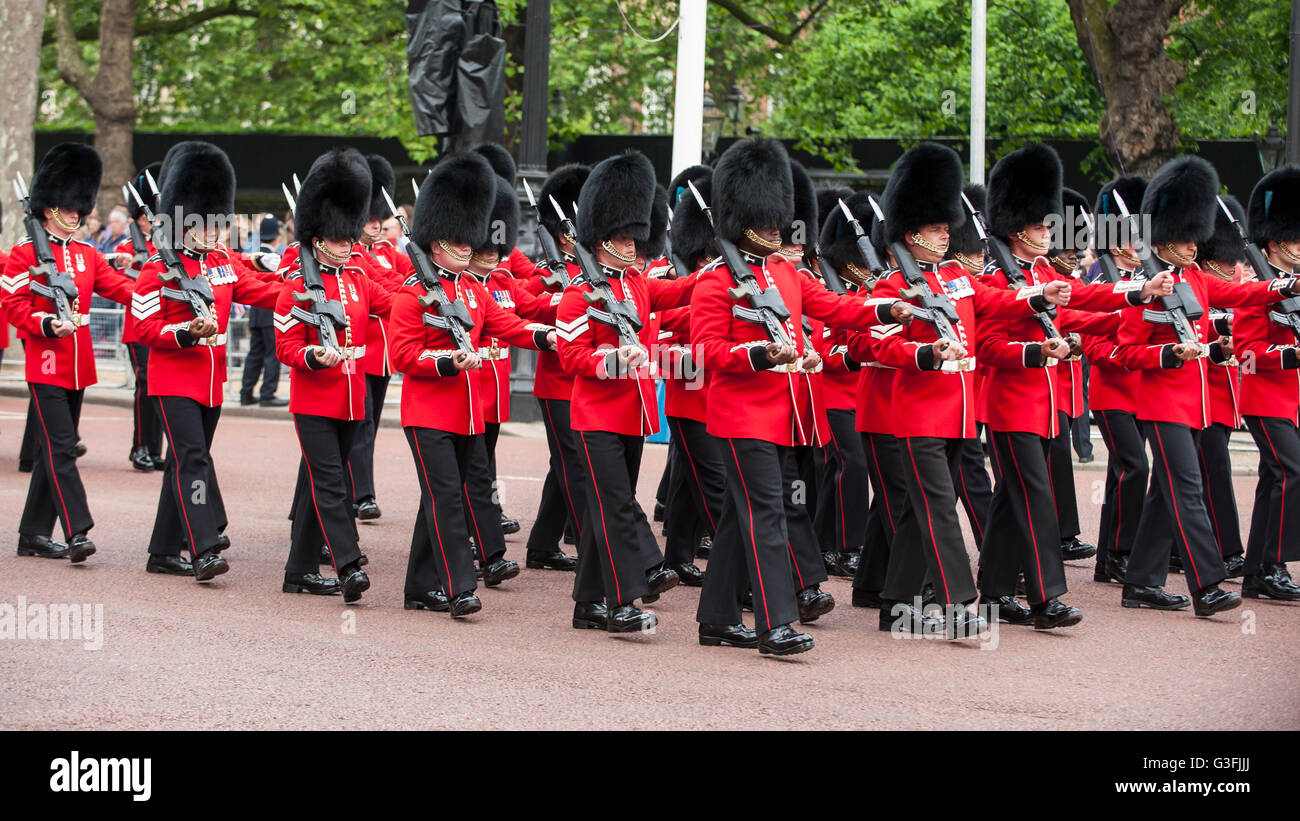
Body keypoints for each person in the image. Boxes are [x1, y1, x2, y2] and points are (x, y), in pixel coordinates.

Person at [690, 138, 908, 655]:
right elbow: (705, 351)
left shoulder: (787, 273)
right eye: (764, 223)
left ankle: (717, 618)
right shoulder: (714, 283)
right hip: (740, 418)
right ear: (740, 219)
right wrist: (758, 357)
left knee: (737, 518)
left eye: (775, 221)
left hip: (779, 416)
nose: (774, 230)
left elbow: (835, 308)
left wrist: (885, 311)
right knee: (767, 513)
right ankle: (775, 623)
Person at [977, 143, 1171, 627]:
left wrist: (1137, 293)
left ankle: (995, 593)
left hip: (1041, 405)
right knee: (1036, 498)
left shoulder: (1039, 270)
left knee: (1009, 500)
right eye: (1043, 225)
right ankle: (1046, 599)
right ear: (1019, 227)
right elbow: (988, 345)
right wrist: (1038, 351)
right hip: (1009, 406)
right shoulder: (996, 275)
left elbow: (1079, 302)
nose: (1050, 232)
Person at [1114, 155, 1300, 616]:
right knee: (1188, 487)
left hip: (1194, 403)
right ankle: (1208, 584)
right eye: (1184, 236)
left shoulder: (1195, 275)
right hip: (1161, 404)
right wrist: (1167, 355)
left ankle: (1140, 583)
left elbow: (1237, 294)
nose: (1195, 243)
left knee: (1165, 492)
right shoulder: (1148, 285)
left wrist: (1282, 287)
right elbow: (1124, 352)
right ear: (1163, 237)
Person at [391, 152, 555, 617]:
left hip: (466, 414)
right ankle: (459, 585)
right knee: (447, 501)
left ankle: (420, 588)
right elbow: (404, 356)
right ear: (435, 242)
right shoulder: (412, 295)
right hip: (427, 415)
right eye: (458, 244)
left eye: (470, 243)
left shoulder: (473, 289)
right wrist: (446, 361)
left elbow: (508, 324)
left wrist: (549, 336)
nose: (468, 251)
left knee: (438, 500)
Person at [132, 141, 282, 580]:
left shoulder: (220, 262)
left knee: (184, 461)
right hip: (172, 379)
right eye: (208, 225)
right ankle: (203, 546)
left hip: (211, 380)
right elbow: (143, 329)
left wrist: (304, 289)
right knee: (194, 459)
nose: (217, 232)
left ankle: (162, 551)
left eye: (220, 224)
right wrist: (182, 332)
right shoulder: (156, 269)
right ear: (184, 222)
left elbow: (260, 290)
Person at [556, 151, 692, 636]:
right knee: (614, 509)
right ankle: (621, 603)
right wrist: (611, 361)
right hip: (595, 418)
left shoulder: (634, 284)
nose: (632, 244)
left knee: (607, 509)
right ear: (600, 240)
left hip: (631, 417)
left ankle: (587, 604)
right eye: (621, 237)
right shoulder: (579, 293)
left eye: (634, 236)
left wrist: (714, 274)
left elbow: (675, 294)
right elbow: (572, 357)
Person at [5, 143, 136, 562]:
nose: (77, 213)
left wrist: (159, 290)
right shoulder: (25, 254)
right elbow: (12, 306)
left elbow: (122, 290)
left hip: (78, 365)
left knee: (51, 451)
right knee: (62, 447)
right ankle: (78, 530)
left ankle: (33, 534)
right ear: (49, 209)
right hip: (45, 362)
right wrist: (44, 324)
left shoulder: (87, 255)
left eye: (80, 206)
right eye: (69, 206)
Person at [274, 148, 393, 603]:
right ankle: (348, 562)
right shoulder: (296, 288)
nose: (349, 244)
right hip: (315, 399)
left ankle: (298, 570)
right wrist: (312, 356)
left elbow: (396, 302)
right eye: (341, 238)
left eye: (350, 237)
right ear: (320, 236)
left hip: (353, 396)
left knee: (317, 484)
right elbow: (287, 346)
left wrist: (430, 296)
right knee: (331, 483)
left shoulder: (359, 279)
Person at [1235, 165, 1300, 600]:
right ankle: (1274, 564)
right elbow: (1247, 355)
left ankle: (1257, 571)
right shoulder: (1256, 286)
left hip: (1289, 399)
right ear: (1277, 243)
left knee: (1274, 477)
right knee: (1292, 471)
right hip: (1263, 397)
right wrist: (1291, 356)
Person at [521, 164, 589, 572]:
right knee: (575, 463)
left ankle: (542, 544)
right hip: (558, 383)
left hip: (588, 380)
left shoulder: (594, 271)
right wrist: (555, 301)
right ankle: (589, 541)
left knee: (563, 464)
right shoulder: (545, 273)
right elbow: (520, 306)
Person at [1082, 176, 1150, 585]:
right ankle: (1122, 552)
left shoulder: (1148, 276)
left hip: (1143, 389)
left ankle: (1108, 558)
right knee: (1135, 467)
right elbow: (1090, 342)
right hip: (1111, 389)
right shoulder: (1099, 275)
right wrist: (1120, 356)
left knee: (1121, 473)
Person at [346, 155, 406, 521]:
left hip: (382, 355)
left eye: (376, 217)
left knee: (367, 426)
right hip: (359, 351)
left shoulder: (385, 252)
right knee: (361, 426)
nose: (374, 223)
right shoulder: (353, 255)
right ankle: (361, 495)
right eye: (368, 218)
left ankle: (356, 492)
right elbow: (385, 288)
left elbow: (407, 274)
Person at [240, 216, 288, 407]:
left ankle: (246, 392)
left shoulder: (254, 257)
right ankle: (267, 393)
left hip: (256, 313)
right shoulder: (275, 260)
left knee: (255, 354)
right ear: (276, 237)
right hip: (270, 311)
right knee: (271, 355)